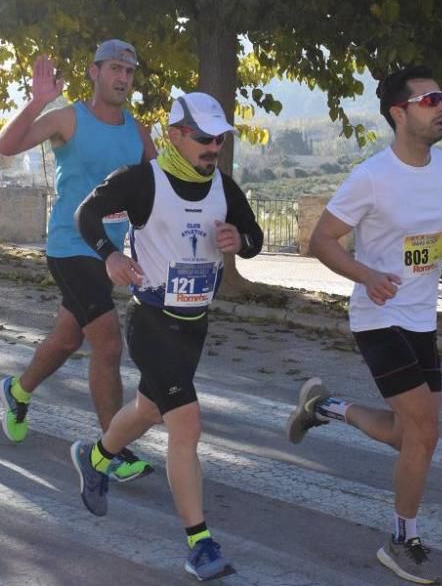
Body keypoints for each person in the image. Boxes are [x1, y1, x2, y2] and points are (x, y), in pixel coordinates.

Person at [286, 66, 442, 585]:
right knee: (424, 431)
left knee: (408, 436)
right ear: (399, 112)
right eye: (431, 99)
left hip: (421, 318)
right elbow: (322, 240)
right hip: (377, 317)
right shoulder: (371, 176)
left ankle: (325, 407)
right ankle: (402, 539)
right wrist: (366, 275)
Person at [69, 92, 263, 581]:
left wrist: (240, 241)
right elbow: (85, 215)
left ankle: (95, 458)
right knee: (187, 425)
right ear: (175, 134)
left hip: (194, 327)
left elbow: (255, 235)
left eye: (219, 138)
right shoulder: (142, 181)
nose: (213, 146)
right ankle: (200, 543)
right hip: (153, 322)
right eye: (203, 137)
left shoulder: (223, 186)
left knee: (151, 409)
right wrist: (108, 256)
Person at [0, 40, 157, 483]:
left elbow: (159, 185)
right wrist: (37, 102)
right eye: (115, 69)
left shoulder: (135, 130)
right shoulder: (69, 117)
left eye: (129, 71)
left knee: (68, 340)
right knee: (106, 342)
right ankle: (112, 449)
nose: (123, 78)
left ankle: (19, 389)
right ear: (94, 72)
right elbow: (6, 146)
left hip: (108, 254)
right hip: (70, 246)